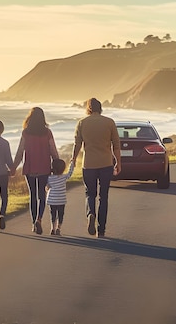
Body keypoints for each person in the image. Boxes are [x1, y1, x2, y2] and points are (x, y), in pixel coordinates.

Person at [71, 98, 121, 238]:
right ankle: (101, 230)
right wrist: (119, 163)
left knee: (89, 193)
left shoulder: (82, 123)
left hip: (88, 164)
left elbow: (77, 144)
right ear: (100, 108)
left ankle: (90, 213)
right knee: (103, 197)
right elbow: (116, 145)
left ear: (89, 108)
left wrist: (73, 159)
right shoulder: (109, 122)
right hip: (106, 163)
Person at [12, 107, 59, 235]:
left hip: (30, 167)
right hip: (44, 167)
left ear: (30, 118)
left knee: (33, 195)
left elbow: (20, 151)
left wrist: (14, 167)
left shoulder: (25, 133)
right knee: (42, 195)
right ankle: (39, 219)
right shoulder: (47, 132)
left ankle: (34, 223)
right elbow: (53, 150)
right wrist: (57, 163)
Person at [46, 158, 74, 236]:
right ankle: (58, 228)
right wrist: (72, 163)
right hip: (61, 200)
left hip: (52, 200)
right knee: (61, 214)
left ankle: (52, 228)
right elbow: (70, 173)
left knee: (53, 214)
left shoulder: (49, 178)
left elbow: (47, 186)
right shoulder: (64, 177)